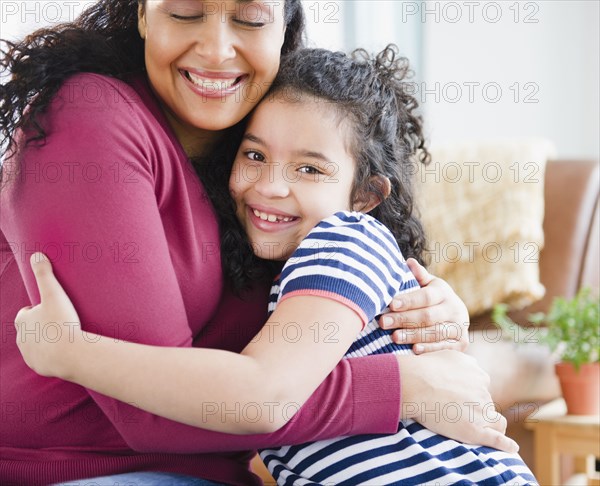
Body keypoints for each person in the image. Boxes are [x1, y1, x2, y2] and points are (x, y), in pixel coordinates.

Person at [1, 1, 504, 484]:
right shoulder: (93, 117)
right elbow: (152, 410)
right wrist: (404, 387)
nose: (217, 49)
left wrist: (432, 314)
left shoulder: (268, 151)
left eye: (249, 19)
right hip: (89, 472)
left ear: (282, 31)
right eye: (184, 12)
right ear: (141, 14)